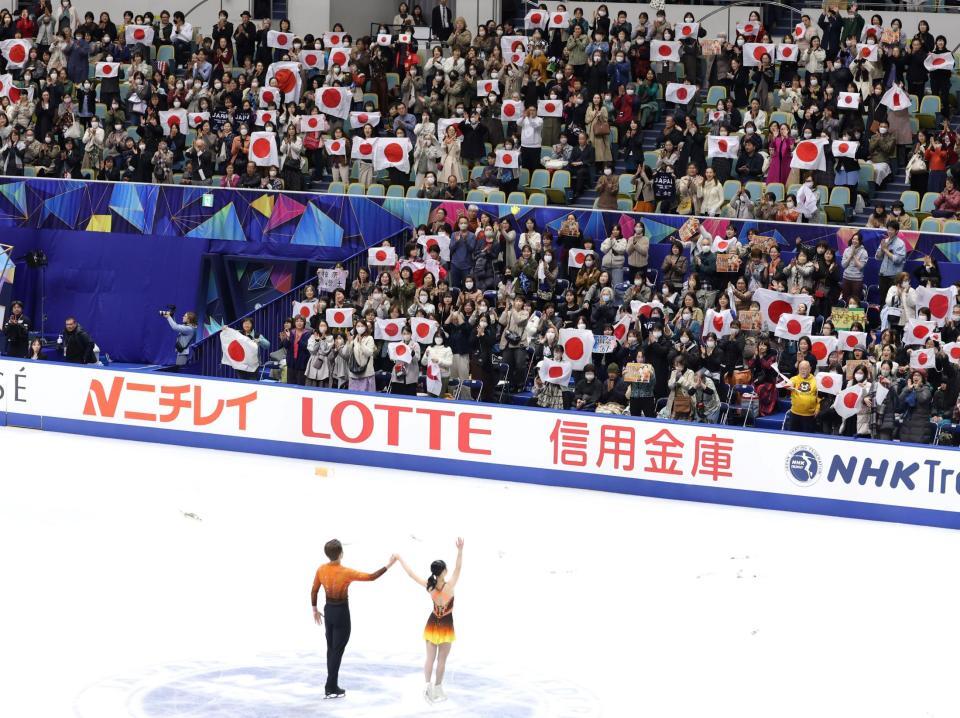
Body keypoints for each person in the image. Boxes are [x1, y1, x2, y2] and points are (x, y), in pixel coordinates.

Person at [310, 539, 396, 699]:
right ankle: (330, 686)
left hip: (329, 612)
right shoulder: (346, 572)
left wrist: (314, 609)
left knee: (331, 648)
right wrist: (389, 564)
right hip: (341, 613)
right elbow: (371, 577)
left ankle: (331, 684)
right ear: (341, 553)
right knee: (337, 650)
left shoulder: (321, 569)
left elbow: (314, 590)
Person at [396, 538, 464, 704]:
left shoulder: (430, 586)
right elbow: (458, 568)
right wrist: (460, 550)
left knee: (430, 658)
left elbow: (412, 575)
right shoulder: (449, 586)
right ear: (443, 572)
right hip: (446, 625)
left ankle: (428, 687)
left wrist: (399, 558)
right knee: (441, 660)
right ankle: (438, 688)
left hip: (433, 623)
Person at [788, 360, 819, 433]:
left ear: (810, 369)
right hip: (795, 414)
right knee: (793, 436)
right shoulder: (794, 379)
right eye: (801, 369)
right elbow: (790, 383)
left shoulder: (816, 380)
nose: (803, 371)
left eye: (805, 369)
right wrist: (789, 385)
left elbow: (819, 396)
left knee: (808, 439)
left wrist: (818, 408)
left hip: (809, 415)